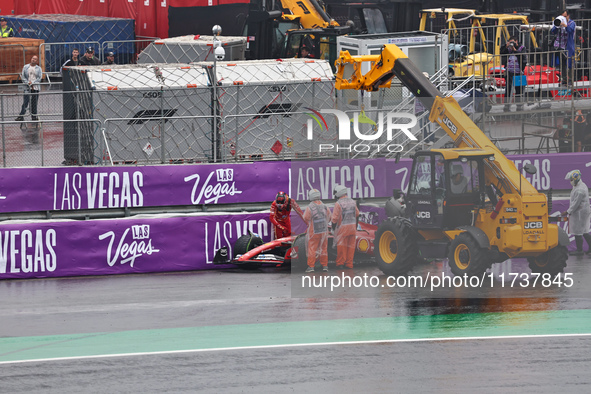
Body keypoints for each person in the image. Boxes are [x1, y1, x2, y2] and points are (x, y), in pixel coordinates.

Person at [562, 170, 591, 255]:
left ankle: (579, 250)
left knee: (579, 231)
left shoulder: (580, 190)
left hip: (580, 212)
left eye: (571, 180)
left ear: (576, 179)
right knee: (584, 230)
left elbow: (576, 204)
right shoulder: (579, 185)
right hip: (581, 211)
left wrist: (567, 211)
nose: (570, 182)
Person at [302, 188, 331, 273]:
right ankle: (325, 265)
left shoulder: (310, 207)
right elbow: (329, 218)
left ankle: (311, 266)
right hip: (324, 232)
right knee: (324, 248)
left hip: (313, 232)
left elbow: (306, 218)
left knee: (312, 249)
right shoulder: (325, 206)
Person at [331, 185, 359, 269]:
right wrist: (356, 226)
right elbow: (357, 214)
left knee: (341, 247)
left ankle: (340, 264)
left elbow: (334, 219)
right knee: (351, 247)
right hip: (352, 228)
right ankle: (349, 264)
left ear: (339, 193)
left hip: (342, 229)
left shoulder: (338, 203)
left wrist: (333, 229)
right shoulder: (353, 202)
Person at [500, 35, 527, 112]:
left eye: (513, 42)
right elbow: (501, 52)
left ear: (516, 41)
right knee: (508, 89)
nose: (512, 44)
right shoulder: (508, 49)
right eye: (510, 42)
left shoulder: (522, 48)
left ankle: (519, 105)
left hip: (519, 72)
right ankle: (506, 105)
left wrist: (514, 50)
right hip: (509, 71)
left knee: (519, 90)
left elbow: (522, 57)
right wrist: (506, 46)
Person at [551, 9, 576, 85]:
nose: (563, 18)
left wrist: (565, 25)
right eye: (562, 16)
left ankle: (571, 79)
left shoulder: (572, 23)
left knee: (570, 64)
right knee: (562, 64)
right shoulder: (559, 23)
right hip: (560, 46)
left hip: (568, 46)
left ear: (568, 16)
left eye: (565, 16)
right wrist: (557, 25)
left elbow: (570, 30)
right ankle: (564, 79)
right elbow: (553, 31)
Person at [15, 55, 42, 122]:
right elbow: (23, 76)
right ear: (31, 59)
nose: (33, 60)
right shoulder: (26, 67)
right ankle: (21, 116)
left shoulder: (39, 68)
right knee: (25, 102)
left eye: (35, 59)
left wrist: (32, 83)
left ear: (37, 61)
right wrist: (28, 83)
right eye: (33, 58)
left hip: (35, 88)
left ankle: (34, 116)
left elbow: (39, 77)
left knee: (34, 102)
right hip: (27, 87)